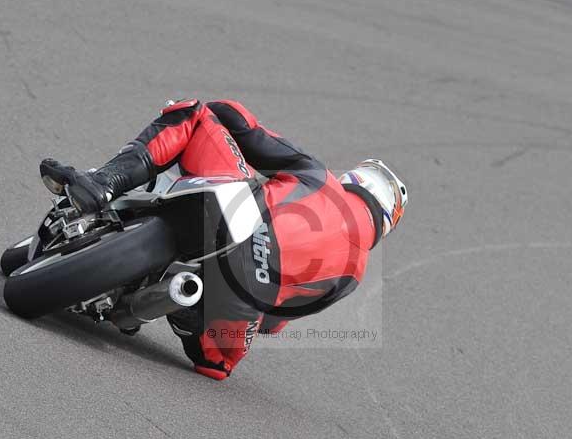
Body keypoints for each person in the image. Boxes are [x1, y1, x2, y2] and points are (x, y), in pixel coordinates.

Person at [40, 99, 408, 380]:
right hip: (247, 299)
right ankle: (182, 307)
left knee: (194, 114)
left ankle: (104, 184)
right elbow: (277, 321)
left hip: (236, 219)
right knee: (216, 364)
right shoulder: (352, 275)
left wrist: (220, 109)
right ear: (383, 226)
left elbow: (245, 127)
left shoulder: (320, 176)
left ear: (355, 181)